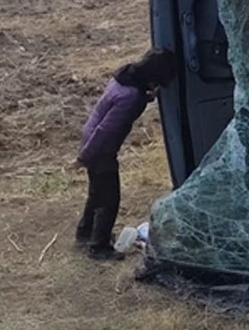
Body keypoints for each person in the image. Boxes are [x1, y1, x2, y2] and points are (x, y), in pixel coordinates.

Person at [75, 48, 177, 260]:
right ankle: (99, 246)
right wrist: (85, 157)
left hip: (90, 136)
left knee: (96, 192)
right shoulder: (132, 97)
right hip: (100, 148)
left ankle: (85, 233)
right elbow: (106, 131)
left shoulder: (126, 77)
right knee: (109, 199)